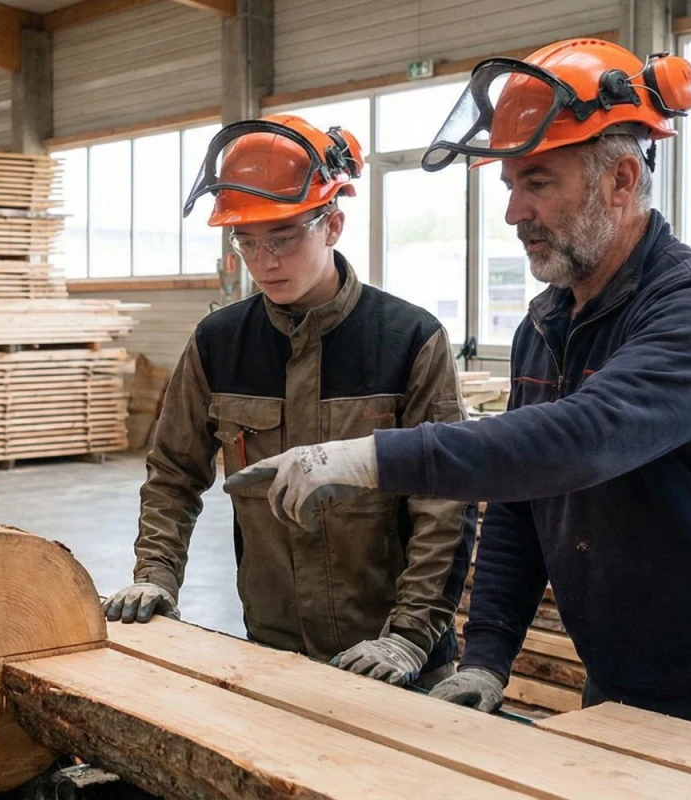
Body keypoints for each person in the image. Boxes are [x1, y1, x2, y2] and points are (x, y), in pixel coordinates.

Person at [225, 40, 691, 750]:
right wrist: (487, 656)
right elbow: (522, 499)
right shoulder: (546, 324)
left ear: (621, 180)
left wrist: (369, 459)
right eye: (510, 184)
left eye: (538, 182)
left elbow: (583, 440)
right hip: (620, 684)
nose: (514, 210)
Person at [103, 114, 476, 689]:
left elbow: (444, 504)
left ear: (333, 225)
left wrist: (409, 636)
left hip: (395, 661)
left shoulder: (408, 339)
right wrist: (155, 574)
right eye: (247, 242)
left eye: (283, 238)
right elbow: (174, 474)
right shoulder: (218, 343)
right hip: (273, 649)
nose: (264, 262)